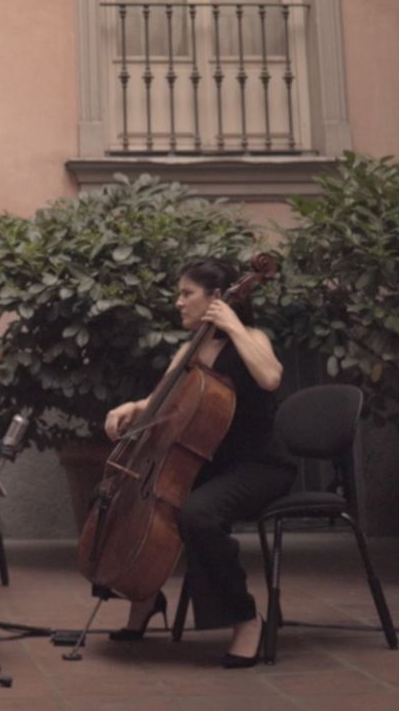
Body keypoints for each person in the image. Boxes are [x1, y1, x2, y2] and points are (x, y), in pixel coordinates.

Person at [102, 258, 292, 668]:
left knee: (198, 515)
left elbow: (271, 377)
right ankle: (143, 595)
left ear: (217, 299)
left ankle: (246, 618)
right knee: (126, 496)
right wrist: (130, 408)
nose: (178, 302)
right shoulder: (189, 350)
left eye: (187, 293)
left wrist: (235, 326)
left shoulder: (252, 337)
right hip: (208, 465)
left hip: (259, 467)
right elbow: (159, 403)